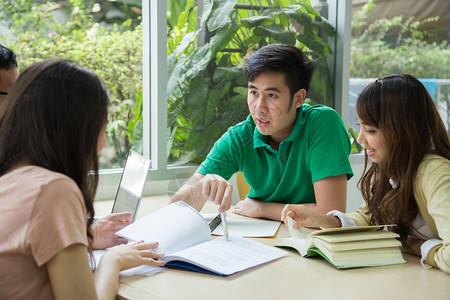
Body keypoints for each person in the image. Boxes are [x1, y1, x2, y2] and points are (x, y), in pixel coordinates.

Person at [0, 59, 165, 299]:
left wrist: (85, 237)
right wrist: (113, 260)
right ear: (79, 130)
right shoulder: (53, 190)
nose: (103, 143)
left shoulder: (9, 179)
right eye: (103, 130)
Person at [282, 74, 450, 274]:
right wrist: (319, 220)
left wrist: (419, 247)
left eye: (370, 130)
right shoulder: (392, 165)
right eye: (360, 126)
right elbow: (368, 217)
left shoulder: (435, 172)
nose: (361, 138)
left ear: (402, 130)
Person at [171, 44, 353, 221]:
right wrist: (203, 185)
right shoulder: (240, 137)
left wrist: (261, 208)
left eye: (271, 95)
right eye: (253, 92)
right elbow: (175, 210)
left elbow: (330, 214)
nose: (259, 108)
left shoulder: (322, 124)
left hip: (312, 243)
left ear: (299, 98)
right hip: (261, 242)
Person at [0, 43, 129, 249]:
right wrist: (112, 260)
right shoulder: (51, 188)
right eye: (10, 93)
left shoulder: (21, 170)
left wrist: (81, 236)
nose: (17, 104)